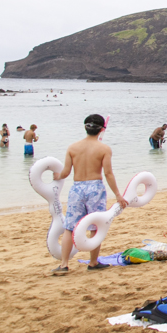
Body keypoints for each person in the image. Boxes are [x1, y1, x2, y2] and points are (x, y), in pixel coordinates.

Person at [52, 115, 129, 274]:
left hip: (77, 188)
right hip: (95, 188)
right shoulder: (104, 149)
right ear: (102, 129)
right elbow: (108, 174)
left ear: (85, 127)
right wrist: (118, 195)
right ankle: (93, 262)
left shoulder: (72, 147)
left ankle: (64, 264)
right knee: (96, 225)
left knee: (70, 227)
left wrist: (57, 176)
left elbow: (66, 172)